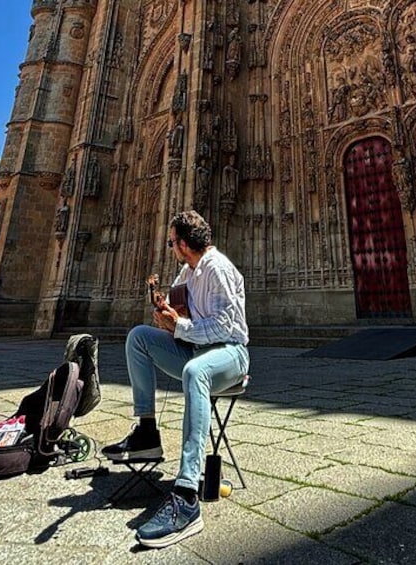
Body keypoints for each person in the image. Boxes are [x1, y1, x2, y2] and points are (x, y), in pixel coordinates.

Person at [102, 210, 250, 549]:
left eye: (171, 243)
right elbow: (182, 312)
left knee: (194, 372)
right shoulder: (188, 270)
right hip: (196, 350)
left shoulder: (218, 268)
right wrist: (167, 314)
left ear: (183, 244)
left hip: (230, 355)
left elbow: (229, 328)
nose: (170, 249)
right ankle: (146, 431)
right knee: (138, 337)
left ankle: (186, 495)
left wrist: (179, 326)